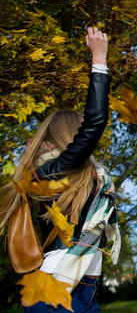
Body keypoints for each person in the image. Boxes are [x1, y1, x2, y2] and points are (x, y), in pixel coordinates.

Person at [0, 27, 120, 313]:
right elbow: (95, 123)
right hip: (55, 287)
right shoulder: (54, 171)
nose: (88, 143)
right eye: (78, 133)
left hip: (83, 289)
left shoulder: (82, 174)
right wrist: (99, 59)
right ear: (70, 135)